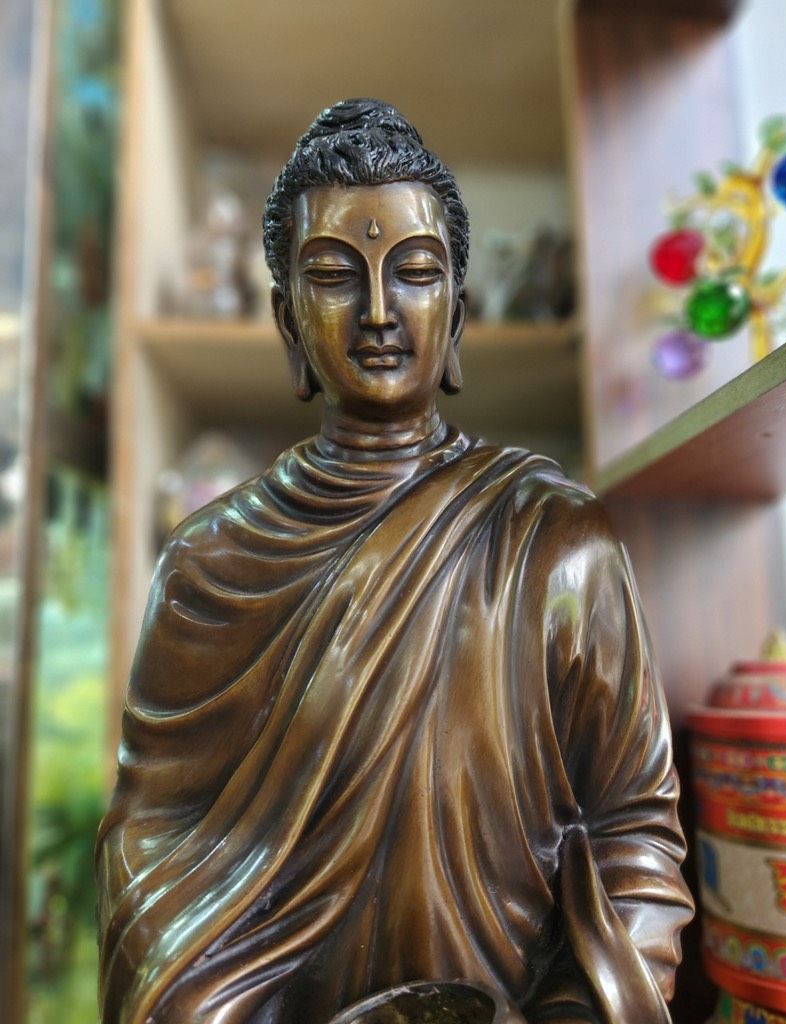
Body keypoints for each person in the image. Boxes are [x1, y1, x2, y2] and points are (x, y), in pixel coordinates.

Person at [96, 99, 693, 1024]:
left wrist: (576, 1010)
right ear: (286, 318)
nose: (379, 312)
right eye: (335, 276)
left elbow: (633, 829)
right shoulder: (210, 565)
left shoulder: (558, 543)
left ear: (456, 308)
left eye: (414, 272)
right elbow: (147, 838)